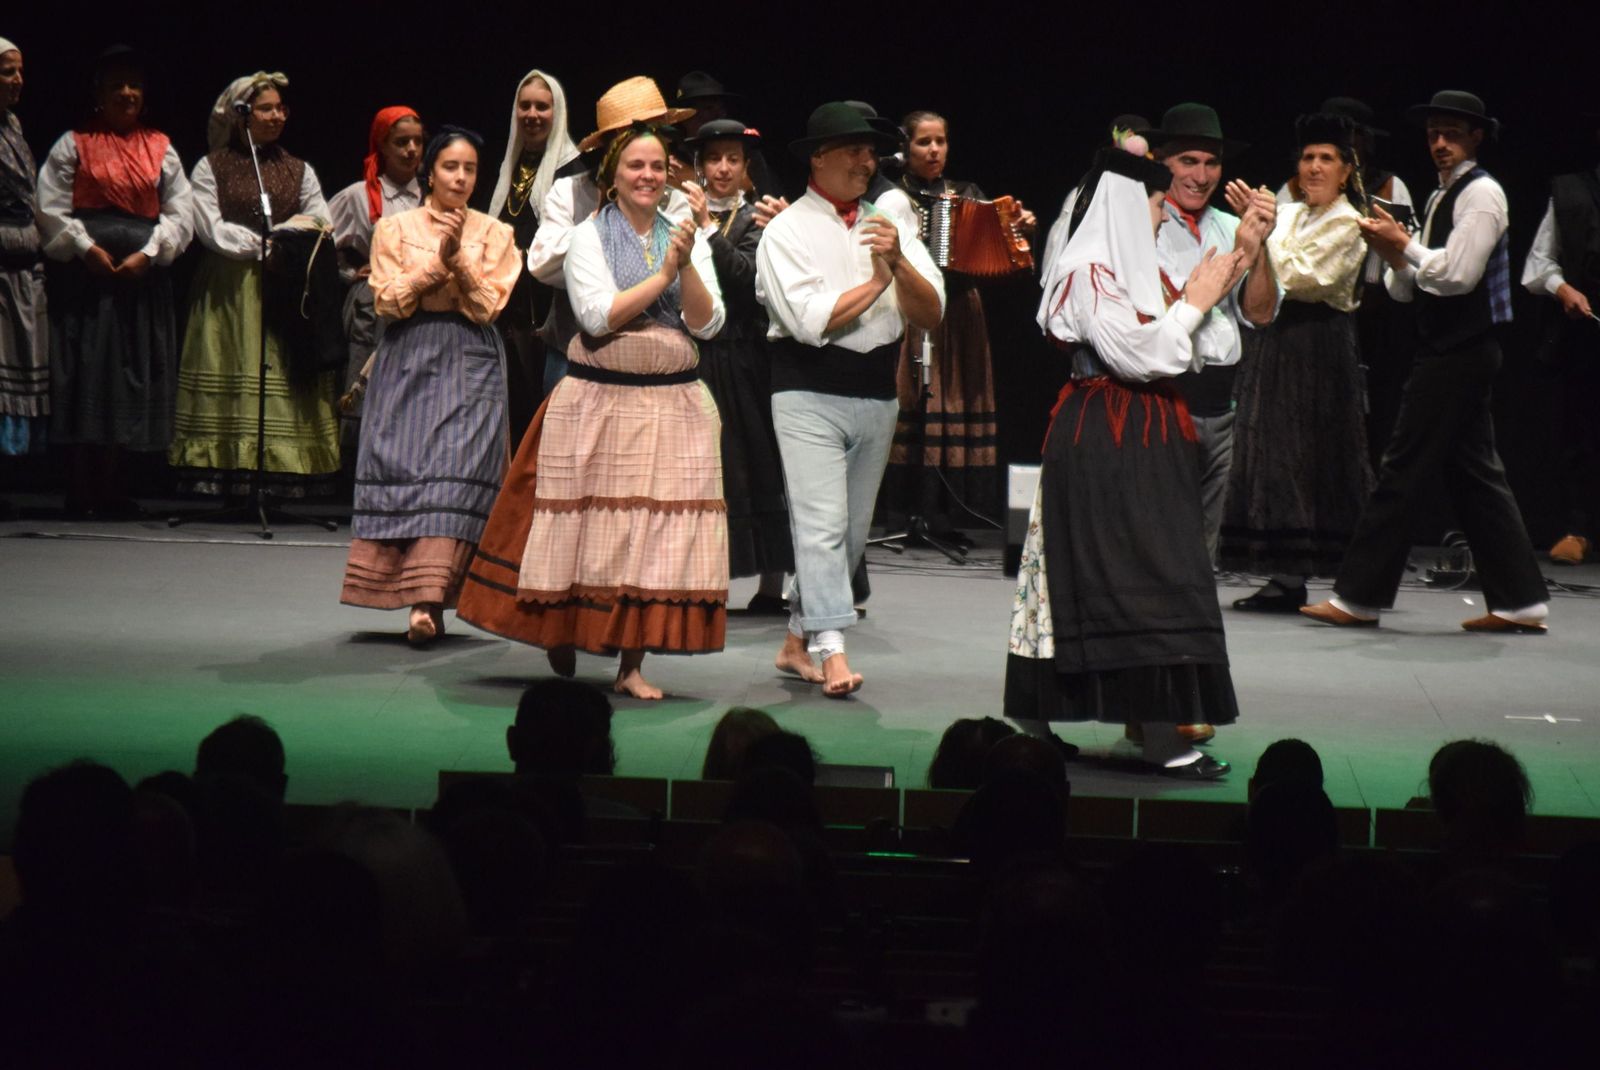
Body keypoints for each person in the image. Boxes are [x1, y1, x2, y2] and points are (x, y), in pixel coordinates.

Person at [457, 119, 727, 700]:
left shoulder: (684, 234)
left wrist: (684, 267)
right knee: (584, 528)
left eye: (657, 166)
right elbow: (600, 316)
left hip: (672, 402)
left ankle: (631, 663)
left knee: (650, 535)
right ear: (612, 174)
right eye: (636, 165)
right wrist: (662, 276)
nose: (649, 176)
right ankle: (562, 625)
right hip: (599, 398)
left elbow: (708, 323)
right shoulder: (586, 236)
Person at [1008, 140, 1246, 778]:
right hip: (1111, 430)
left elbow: (1180, 351)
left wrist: (1199, 297)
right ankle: (1160, 738)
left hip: (1139, 428)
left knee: (1099, 572)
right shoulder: (1090, 269)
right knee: (1135, 572)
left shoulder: (1128, 270)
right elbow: (1143, 356)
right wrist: (1194, 301)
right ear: (1121, 206)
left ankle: (1042, 722)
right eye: (1154, 205)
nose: (1163, 217)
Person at [1302, 91, 1551, 634]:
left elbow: (1459, 276)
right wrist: (1396, 253)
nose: (1440, 143)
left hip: (1460, 351)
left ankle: (1358, 597)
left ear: (1476, 137)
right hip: (1448, 346)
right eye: (1434, 132)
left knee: (1401, 467)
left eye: (1452, 133)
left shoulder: (1481, 194)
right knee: (1475, 476)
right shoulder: (1443, 196)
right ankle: (1522, 601)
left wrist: (1404, 245)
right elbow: (1408, 289)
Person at [755, 102, 944, 697]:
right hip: (806, 389)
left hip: (875, 393)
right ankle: (832, 650)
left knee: (852, 534)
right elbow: (812, 321)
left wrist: (896, 261)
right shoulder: (786, 230)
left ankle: (794, 643)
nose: (869, 162)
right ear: (819, 157)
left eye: (872, 152)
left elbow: (931, 311)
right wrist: (877, 282)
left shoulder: (890, 221)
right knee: (821, 525)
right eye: (856, 150)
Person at [339, 127, 520, 644]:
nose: (460, 177)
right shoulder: (394, 228)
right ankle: (410, 592)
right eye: (449, 167)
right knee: (407, 466)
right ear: (430, 172)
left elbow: (487, 306)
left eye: (469, 170)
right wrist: (434, 266)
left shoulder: (496, 234)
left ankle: (429, 601)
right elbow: (390, 301)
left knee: (454, 471)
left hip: (471, 357)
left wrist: (460, 259)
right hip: (408, 355)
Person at [1224, 113, 1373, 611]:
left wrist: (1262, 237)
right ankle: (1285, 576)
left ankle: (1348, 578)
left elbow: (1304, 275)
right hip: (1276, 342)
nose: (1314, 167)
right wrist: (1259, 232)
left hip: (1319, 346)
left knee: (1316, 456)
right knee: (1272, 453)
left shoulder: (1351, 221)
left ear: (1347, 169)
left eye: (1326, 158)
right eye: (1308, 157)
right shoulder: (1289, 213)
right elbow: (1249, 258)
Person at [35, 47, 193, 518]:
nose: (128, 93)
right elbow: (50, 208)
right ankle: (80, 486)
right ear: (99, 95)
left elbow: (181, 213)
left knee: (127, 375)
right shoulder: (74, 143)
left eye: (135, 86)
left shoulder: (161, 147)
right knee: (87, 371)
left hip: (137, 283)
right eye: (117, 85)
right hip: (88, 281)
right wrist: (87, 250)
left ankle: (113, 484)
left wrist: (147, 254)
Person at [168, 71, 337, 498]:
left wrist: (284, 242)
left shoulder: (297, 169)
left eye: (281, 107)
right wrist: (265, 245)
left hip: (284, 283)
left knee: (278, 375)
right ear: (240, 114)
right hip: (229, 286)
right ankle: (225, 467)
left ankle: (276, 476)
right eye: (266, 108)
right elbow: (207, 223)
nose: (277, 114)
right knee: (231, 368)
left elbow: (321, 218)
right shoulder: (212, 166)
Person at [877, 109, 1036, 537]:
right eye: (923, 142)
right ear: (905, 148)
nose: (933, 150)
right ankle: (903, 511)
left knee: (956, 402)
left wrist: (1018, 232)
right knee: (912, 402)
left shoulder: (967, 194)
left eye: (940, 142)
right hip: (911, 311)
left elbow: (1006, 261)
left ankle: (949, 514)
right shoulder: (890, 195)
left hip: (961, 313)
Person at [1146, 103, 1280, 565]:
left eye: (1212, 163)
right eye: (1188, 161)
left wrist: (1256, 249)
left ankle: (1190, 629)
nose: (1202, 176)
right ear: (1162, 161)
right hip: (1163, 398)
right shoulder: (1144, 224)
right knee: (1157, 532)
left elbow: (1260, 315)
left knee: (1203, 543)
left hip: (1219, 404)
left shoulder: (1229, 225)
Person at [683, 119, 794, 612]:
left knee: (757, 463)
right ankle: (704, 582)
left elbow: (749, 283)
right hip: (696, 356)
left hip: (746, 358)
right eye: (713, 158)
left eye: (732, 159)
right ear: (699, 167)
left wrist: (707, 227)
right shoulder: (681, 216)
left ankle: (772, 587)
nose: (723, 168)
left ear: (747, 168)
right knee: (706, 470)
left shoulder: (758, 221)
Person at [527, 77, 694, 394]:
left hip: (655, 363)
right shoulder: (572, 193)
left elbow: (681, 283)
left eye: (660, 133)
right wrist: (596, 223)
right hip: (575, 356)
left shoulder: (674, 202)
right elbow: (540, 264)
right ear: (612, 143)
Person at [1279, 97, 1416, 468]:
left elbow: (1406, 253)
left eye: (1354, 136)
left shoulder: (1388, 186)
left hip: (1373, 313)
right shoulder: (1294, 189)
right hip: (1307, 315)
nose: (1317, 165)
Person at [485, 70, 585, 447]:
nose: (532, 114)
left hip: (550, 316)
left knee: (545, 418)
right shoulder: (509, 165)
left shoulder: (573, 172)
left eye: (542, 106)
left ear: (557, 113)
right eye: (524, 105)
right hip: (509, 313)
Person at [1522, 122, 1600, 567]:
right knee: (1581, 432)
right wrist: (1563, 289)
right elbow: (1539, 261)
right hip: (1586, 330)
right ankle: (1580, 529)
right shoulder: (1572, 192)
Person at [326, 106, 423, 457]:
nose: (411, 149)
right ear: (382, 146)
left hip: (418, 304)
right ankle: (356, 472)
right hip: (375, 306)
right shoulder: (359, 195)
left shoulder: (430, 194)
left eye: (416, 141)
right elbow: (319, 242)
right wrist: (349, 274)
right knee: (365, 384)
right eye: (401, 142)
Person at [0, 39, 47, 475]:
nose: (17, 81)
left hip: (17, 270)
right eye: (6, 72)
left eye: (19, 71)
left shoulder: (11, 125)